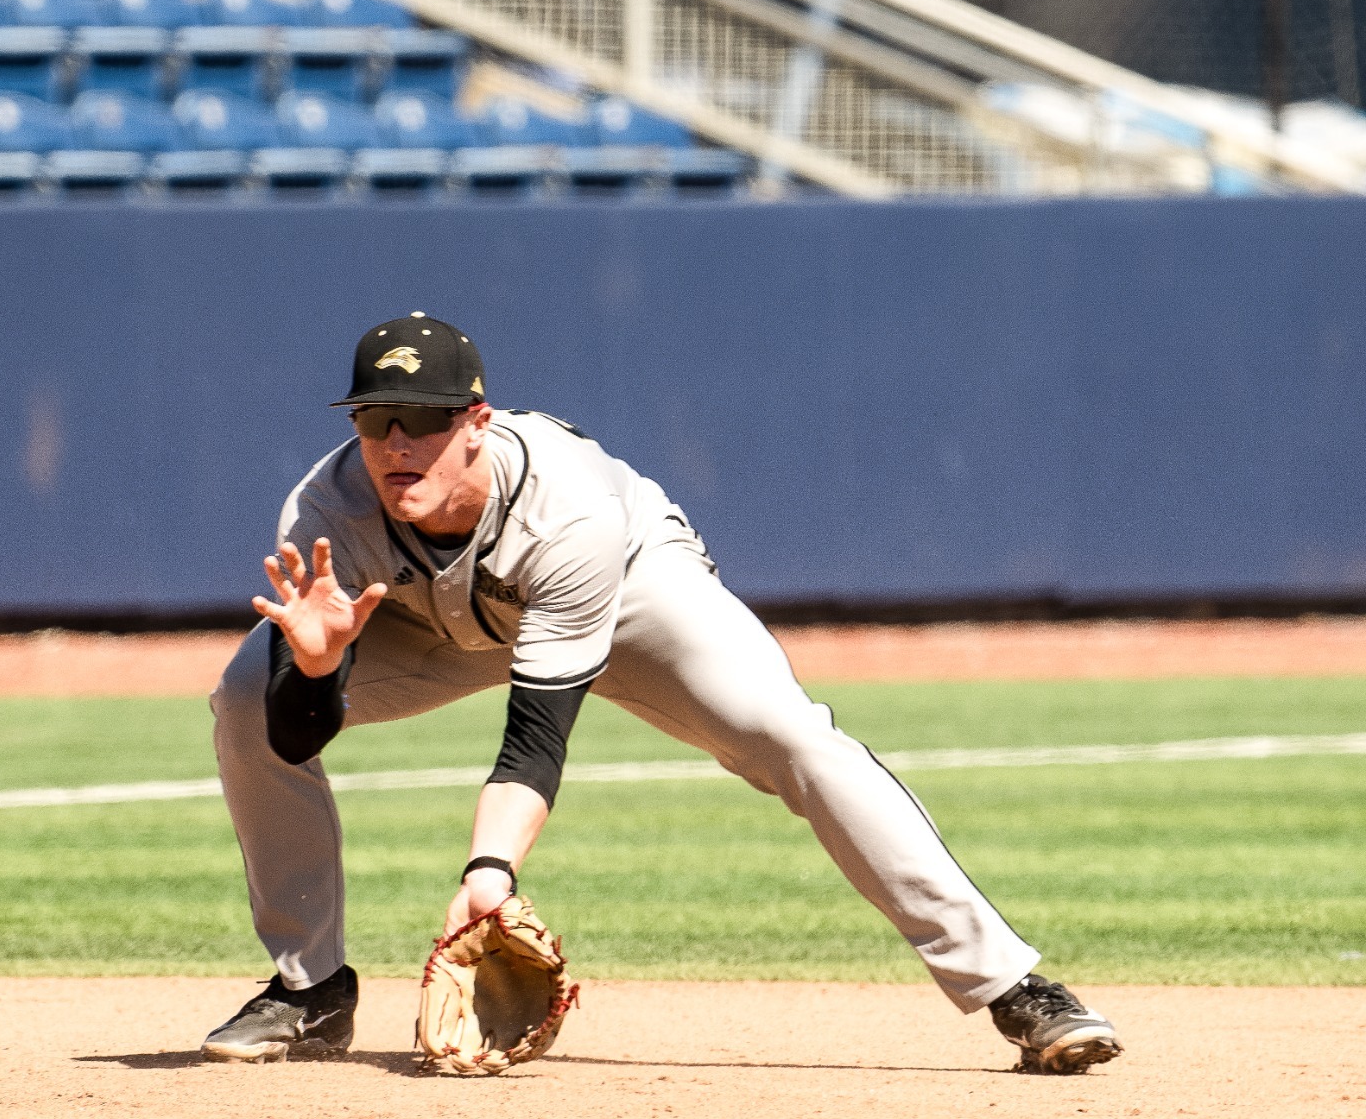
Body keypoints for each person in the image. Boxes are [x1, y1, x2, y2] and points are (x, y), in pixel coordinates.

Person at [199, 314, 1122, 1075]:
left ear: (477, 420)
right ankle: (309, 991)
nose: (398, 445)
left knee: (789, 737)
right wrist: (316, 672)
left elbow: (535, 738)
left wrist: (489, 875)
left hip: (630, 589)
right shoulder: (323, 515)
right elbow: (290, 731)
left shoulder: (570, 507)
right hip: (429, 624)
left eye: (425, 421)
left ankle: (1013, 987)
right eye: (376, 421)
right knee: (245, 695)